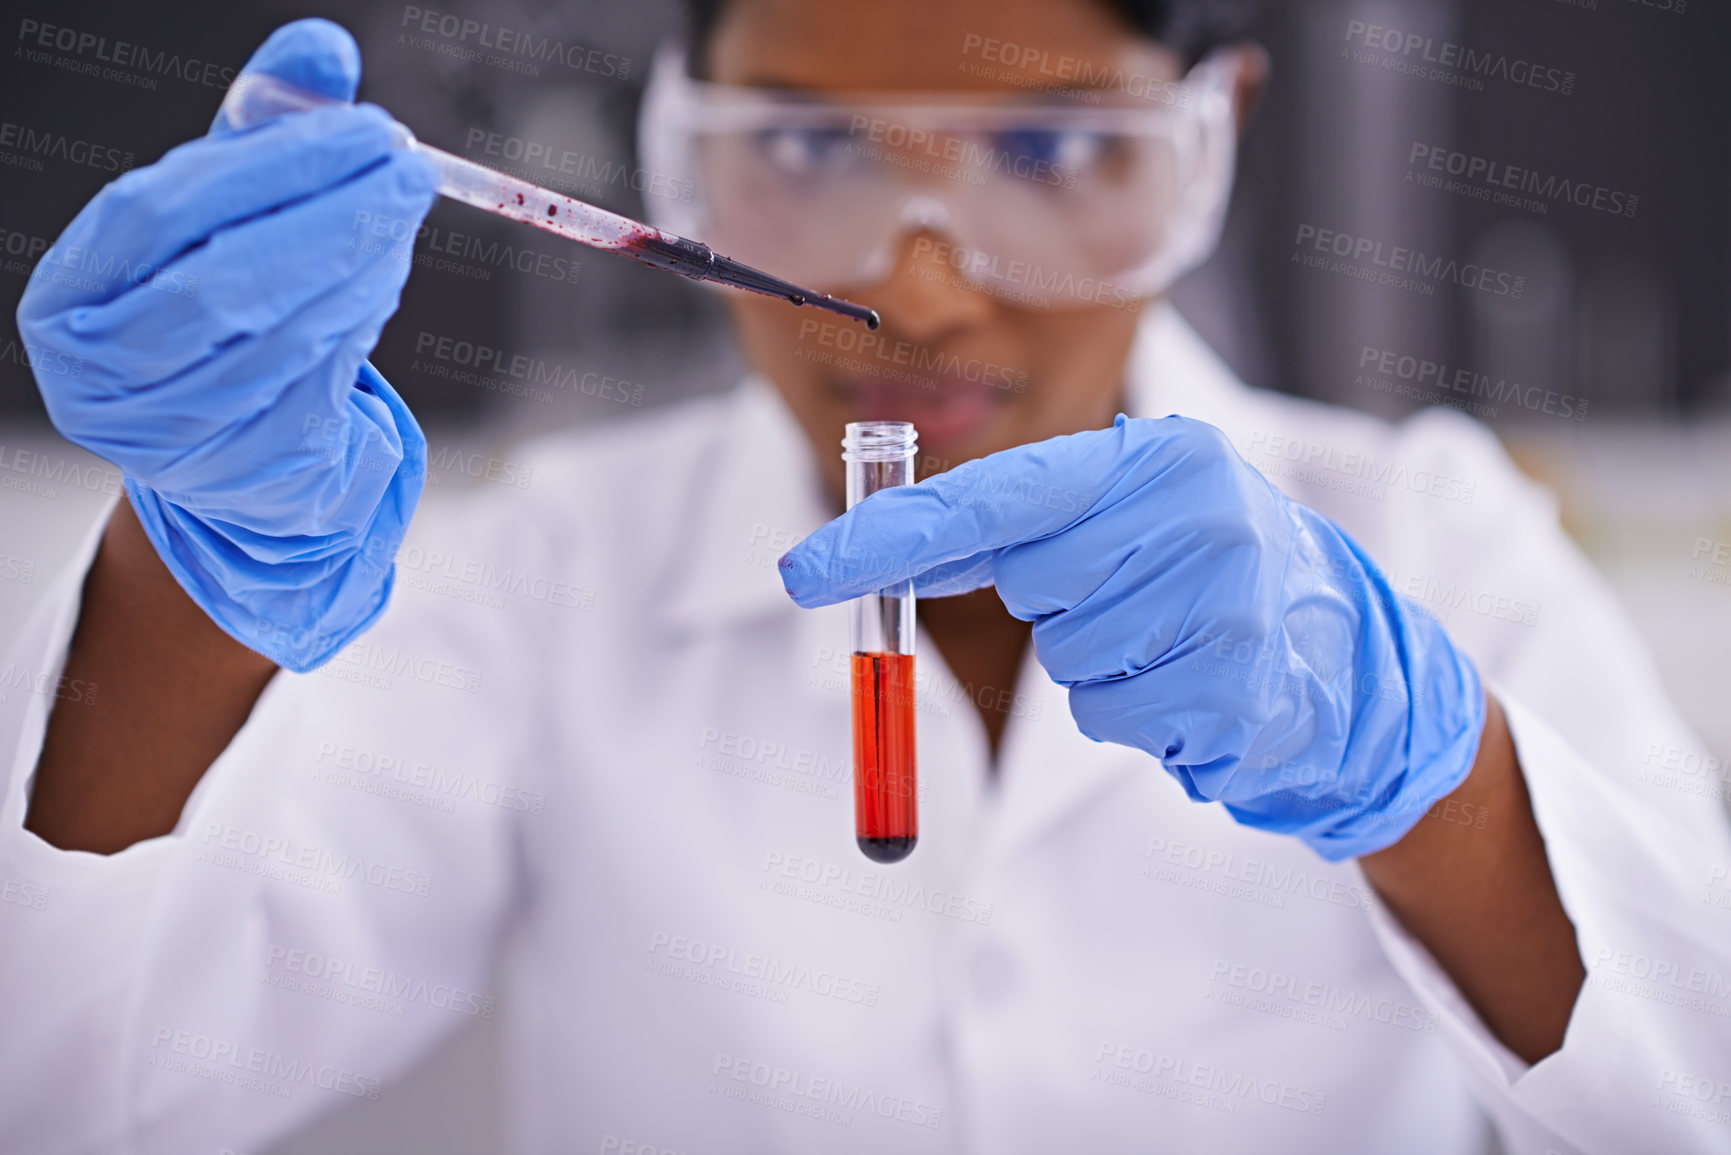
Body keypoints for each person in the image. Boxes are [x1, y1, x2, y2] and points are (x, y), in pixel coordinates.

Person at [3, 3, 1726, 1152]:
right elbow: (75, 1083)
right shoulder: (550, 568)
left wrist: (1431, 788)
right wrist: (193, 565)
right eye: (813, 149)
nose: (917, 293)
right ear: (677, 148)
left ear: (1208, 138)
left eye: (1050, 156)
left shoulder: (1425, 530)